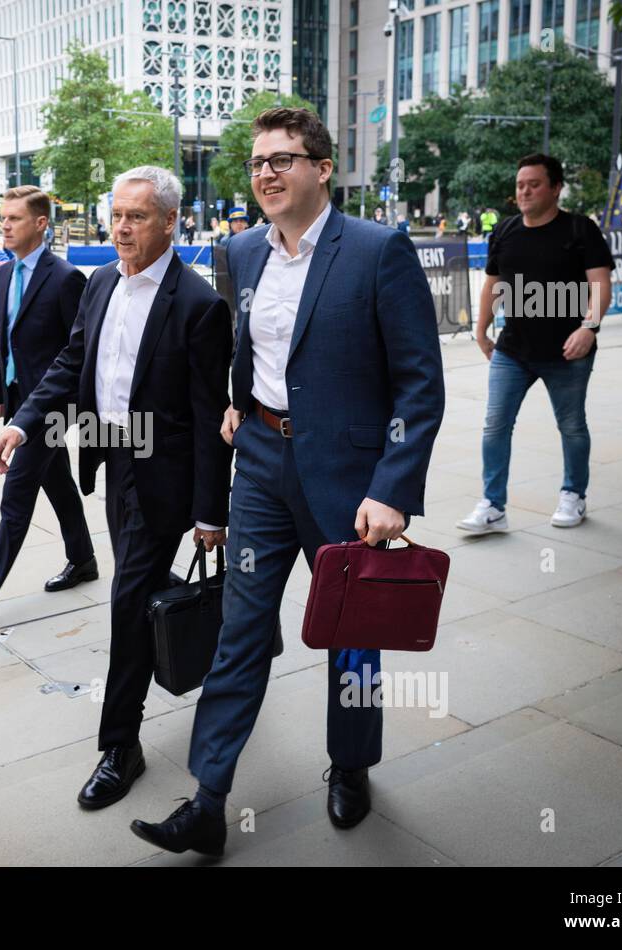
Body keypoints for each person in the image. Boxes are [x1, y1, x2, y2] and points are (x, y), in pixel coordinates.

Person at [129, 107, 445, 858]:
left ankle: (352, 765)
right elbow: (251, 342)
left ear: (323, 168)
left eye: (283, 159)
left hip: (350, 476)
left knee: (353, 634)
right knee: (239, 630)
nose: (266, 174)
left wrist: (393, 487)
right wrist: (241, 400)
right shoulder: (240, 251)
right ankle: (207, 799)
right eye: (257, 162)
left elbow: (420, 384)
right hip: (263, 468)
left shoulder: (378, 250)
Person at [0, 166, 233, 812]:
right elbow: (71, 365)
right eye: (116, 215)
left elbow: (212, 419)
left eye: (137, 217)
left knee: (127, 606)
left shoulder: (201, 306)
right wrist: (23, 424)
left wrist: (212, 509)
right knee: (142, 593)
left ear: (170, 222)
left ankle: (120, 745)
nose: (121, 228)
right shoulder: (99, 284)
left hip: (167, 475)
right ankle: (225, 651)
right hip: (115, 466)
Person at [0, 185, 96, 623]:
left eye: (15, 218)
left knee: (17, 491)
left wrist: (63, 408)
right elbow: (7, 343)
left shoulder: (65, 278)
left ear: (41, 223)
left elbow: (76, 351)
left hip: (53, 406)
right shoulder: (3, 274)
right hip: (21, 400)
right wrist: (3, 397)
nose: (4, 225)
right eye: (3, 217)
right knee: (57, 482)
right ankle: (83, 559)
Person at [456, 153, 614, 536]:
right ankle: (493, 506)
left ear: (556, 188)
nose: (524, 191)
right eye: (520, 185)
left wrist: (589, 327)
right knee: (495, 425)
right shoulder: (506, 231)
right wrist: (481, 330)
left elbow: (601, 283)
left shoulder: (580, 230)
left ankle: (573, 494)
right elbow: (493, 285)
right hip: (513, 350)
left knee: (572, 425)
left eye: (534, 184)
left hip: (568, 352)